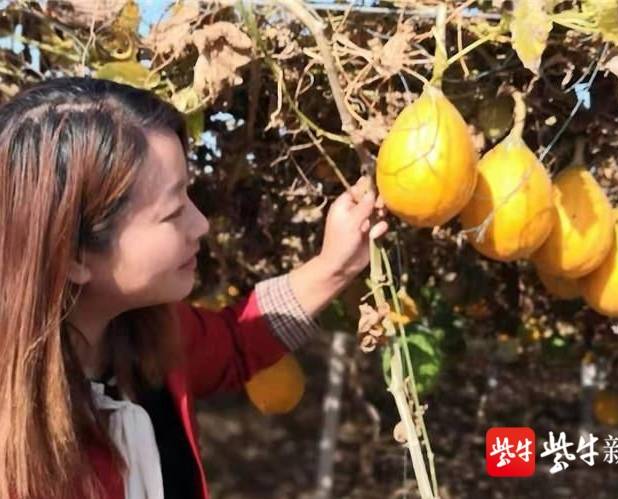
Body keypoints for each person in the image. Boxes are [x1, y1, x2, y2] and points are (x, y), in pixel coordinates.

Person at [0, 76, 388, 499]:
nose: (201, 224)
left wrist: (334, 267)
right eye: (172, 212)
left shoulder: (148, 336)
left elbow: (237, 341)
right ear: (73, 256)